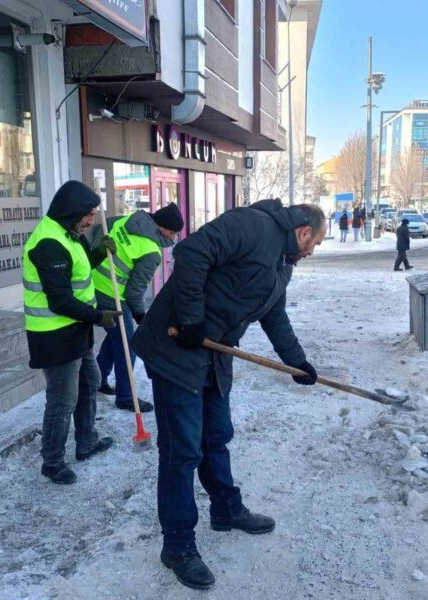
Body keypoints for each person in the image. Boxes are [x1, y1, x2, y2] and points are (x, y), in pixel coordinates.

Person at [131, 199, 326, 590]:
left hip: (213, 353)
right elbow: (191, 251)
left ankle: (226, 509)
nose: (312, 250)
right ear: (303, 231)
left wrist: (297, 362)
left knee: (216, 437)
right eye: (315, 243)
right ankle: (178, 546)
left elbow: (274, 314)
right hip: (176, 348)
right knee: (182, 452)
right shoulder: (252, 225)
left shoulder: (282, 265)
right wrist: (189, 318)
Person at [23, 181, 121, 485]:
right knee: (62, 400)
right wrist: (98, 316)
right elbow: (61, 300)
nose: (91, 220)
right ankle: (52, 462)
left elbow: (78, 271)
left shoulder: (68, 235)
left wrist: (99, 253)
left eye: (93, 214)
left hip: (73, 333)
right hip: (54, 337)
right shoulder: (48, 243)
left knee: (90, 381)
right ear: (72, 211)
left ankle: (86, 441)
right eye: (88, 214)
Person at [92, 203, 184, 412]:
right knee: (127, 345)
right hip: (111, 294)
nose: (173, 238)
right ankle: (125, 396)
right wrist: (140, 315)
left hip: (92, 284)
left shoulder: (126, 220)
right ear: (161, 227)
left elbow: (99, 234)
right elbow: (135, 291)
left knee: (117, 335)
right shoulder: (151, 251)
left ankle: (98, 377)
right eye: (172, 232)